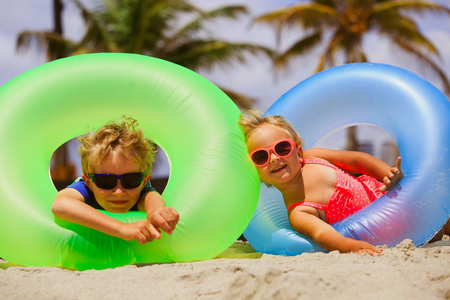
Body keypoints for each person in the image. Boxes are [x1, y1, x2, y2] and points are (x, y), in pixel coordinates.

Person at [239, 110, 403, 256]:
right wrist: (351, 246)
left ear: (299, 152)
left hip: (384, 192)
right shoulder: (298, 212)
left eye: (282, 148)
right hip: (377, 226)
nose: (274, 158)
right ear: (256, 173)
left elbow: (357, 161)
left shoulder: (314, 157)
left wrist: (387, 174)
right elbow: (322, 234)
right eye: (261, 157)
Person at [52, 117, 179, 245]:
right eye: (105, 180)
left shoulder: (140, 191)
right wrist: (122, 228)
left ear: (144, 180)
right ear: (89, 182)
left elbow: (152, 199)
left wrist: (156, 213)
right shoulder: (85, 188)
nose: (119, 191)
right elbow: (60, 205)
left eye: (131, 180)